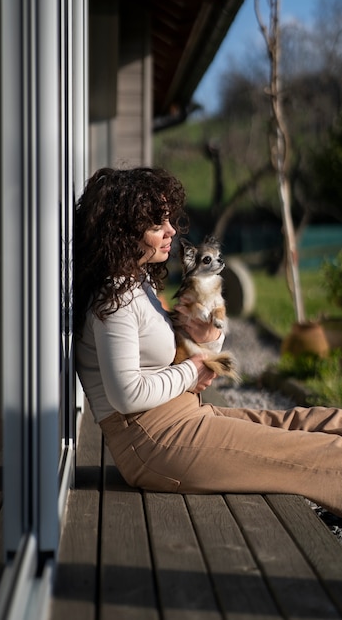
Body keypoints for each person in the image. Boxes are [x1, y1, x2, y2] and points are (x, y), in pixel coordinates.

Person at [74, 166, 342, 516]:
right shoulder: (115, 298)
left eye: (169, 219)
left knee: (323, 422)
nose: (172, 230)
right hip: (157, 442)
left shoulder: (137, 285)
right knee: (316, 453)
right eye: (159, 225)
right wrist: (191, 370)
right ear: (124, 232)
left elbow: (180, 358)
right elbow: (126, 395)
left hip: (180, 417)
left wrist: (208, 339)